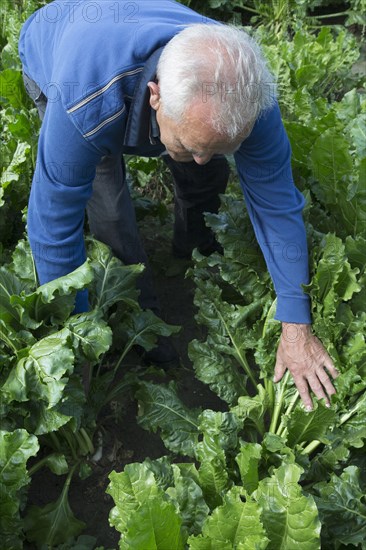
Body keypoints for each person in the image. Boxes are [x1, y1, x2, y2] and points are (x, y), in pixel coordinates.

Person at [19, 0, 338, 410]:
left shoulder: (250, 94)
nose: (202, 155)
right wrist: (73, 339)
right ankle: (142, 317)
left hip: (137, 44)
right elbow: (53, 228)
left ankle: (193, 251)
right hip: (57, 46)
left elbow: (277, 203)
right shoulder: (84, 104)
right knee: (110, 208)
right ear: (156, 97)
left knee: (205, 172)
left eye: (222, 145)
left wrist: (296, 324)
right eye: (190, 143)